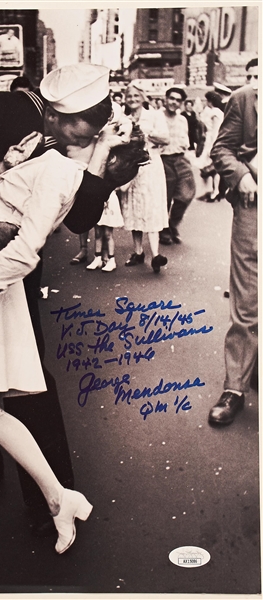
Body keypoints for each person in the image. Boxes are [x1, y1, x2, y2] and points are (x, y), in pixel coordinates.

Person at [0, 63, 141, 536]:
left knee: (17, 380)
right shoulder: (11, 110)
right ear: (62, 114)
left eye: (104, 116)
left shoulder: (83, 143)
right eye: (92, 117)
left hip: (8, 268)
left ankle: (47, 499)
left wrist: (103, 172)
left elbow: (80, 221)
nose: (98, 126)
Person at [208, 58, 258, 426]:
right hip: (254, 207)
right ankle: (235, 387)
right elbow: (221, 149)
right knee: (246, 300)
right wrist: (240, 175)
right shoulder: (244, 99)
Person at [119, 81, 170, 273]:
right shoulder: (123, 118)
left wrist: (146, 133)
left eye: (136, 96)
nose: (132, 99)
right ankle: (138, 251)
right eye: (129, 96)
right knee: (134, 206)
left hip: (151, 165)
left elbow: (166, 138)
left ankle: (156, 254)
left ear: (143, 97)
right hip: (132, 166)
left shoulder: (154, 116)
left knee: (152, 205)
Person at [159, 87, 196, 245]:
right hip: (163, 160)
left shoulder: (182, 119)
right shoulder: (157, 117)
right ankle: (164, 230)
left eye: (178, 100)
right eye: (171, 98)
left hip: (180, 159)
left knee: (187, 194)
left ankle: (173, 224)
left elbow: (185, 141)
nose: (174, 102)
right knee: (164, 198)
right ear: (165, 99)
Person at [84, 189, 123, 272]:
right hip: (97, 198)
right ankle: (97, 258)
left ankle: (111, 259)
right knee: (98, 232)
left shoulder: (111, 176)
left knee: (108, 233)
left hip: (109, 198)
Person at [196, 91, 224, 202]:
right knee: (211, 168)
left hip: (212, 141)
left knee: (212, 168)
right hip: (210, 140)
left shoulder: (215, 112)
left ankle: (215, 191)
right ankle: (213, 191)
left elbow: (215, 130)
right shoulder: (214, 111)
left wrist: (213, 146)